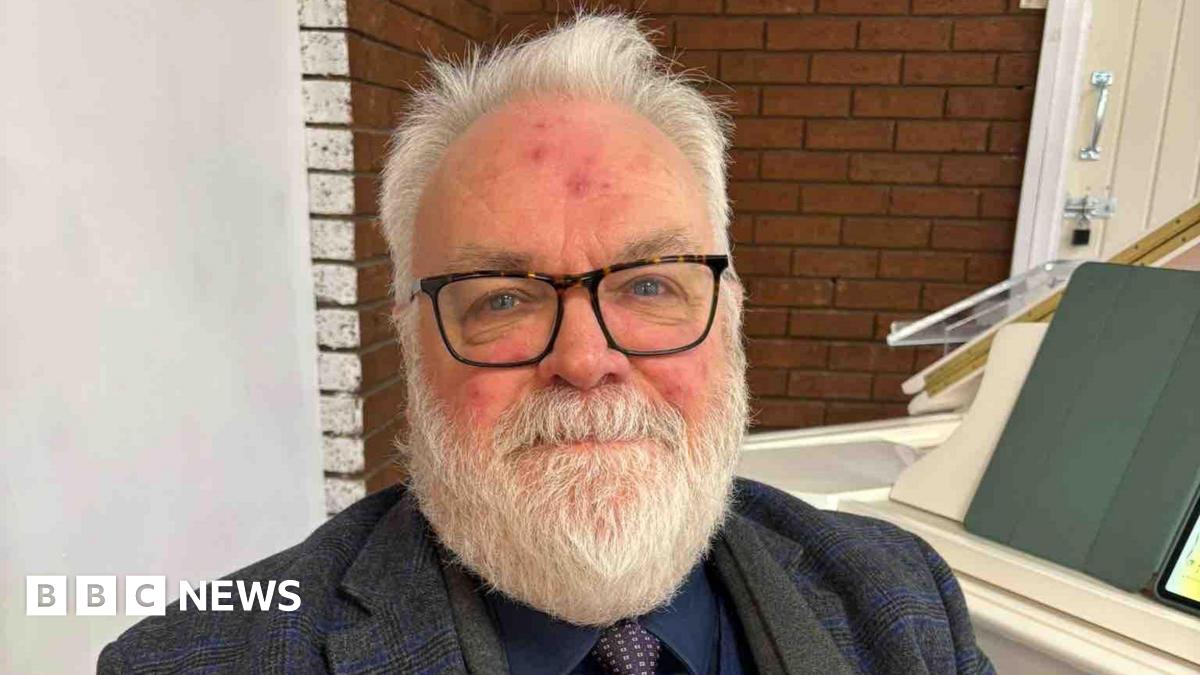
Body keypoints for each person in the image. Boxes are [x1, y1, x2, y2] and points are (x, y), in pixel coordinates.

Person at [100, 13, 993, 674]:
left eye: (649, 284)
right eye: (504, 299)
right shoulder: (198, 659)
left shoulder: (904, 601)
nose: (585, 360)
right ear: (412, 347)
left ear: (730, 315)